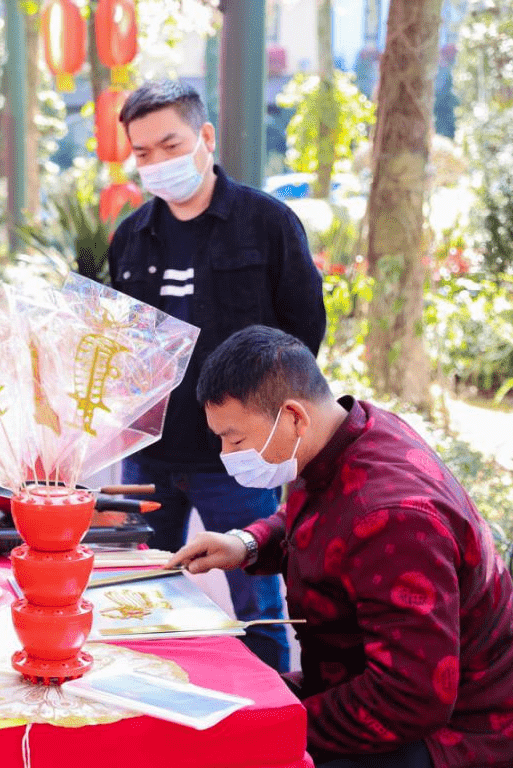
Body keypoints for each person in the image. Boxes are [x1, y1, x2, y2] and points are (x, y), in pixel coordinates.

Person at [171, 325, 513, 768]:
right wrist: (245, 544)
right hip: (355, 682)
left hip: (453, 738)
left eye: (236, 439)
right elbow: (318, 519)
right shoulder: (342, 436)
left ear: (294, 416)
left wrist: (276, 724)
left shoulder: (394, 518)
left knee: (232, 747)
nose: (226, 455)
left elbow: (410, 697)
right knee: (209, 709)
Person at [107, 79, 326, 672]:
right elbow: (122, 341)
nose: (157, 163)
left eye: (170, 145)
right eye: (143, 153)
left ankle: (277, 716)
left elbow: (305, 332)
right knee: (140, 595)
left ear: (205, 137)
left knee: (256, 602)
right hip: (151, 452)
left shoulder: (267, 223)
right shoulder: (130, 237)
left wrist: (269, 425)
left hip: (242, 454)